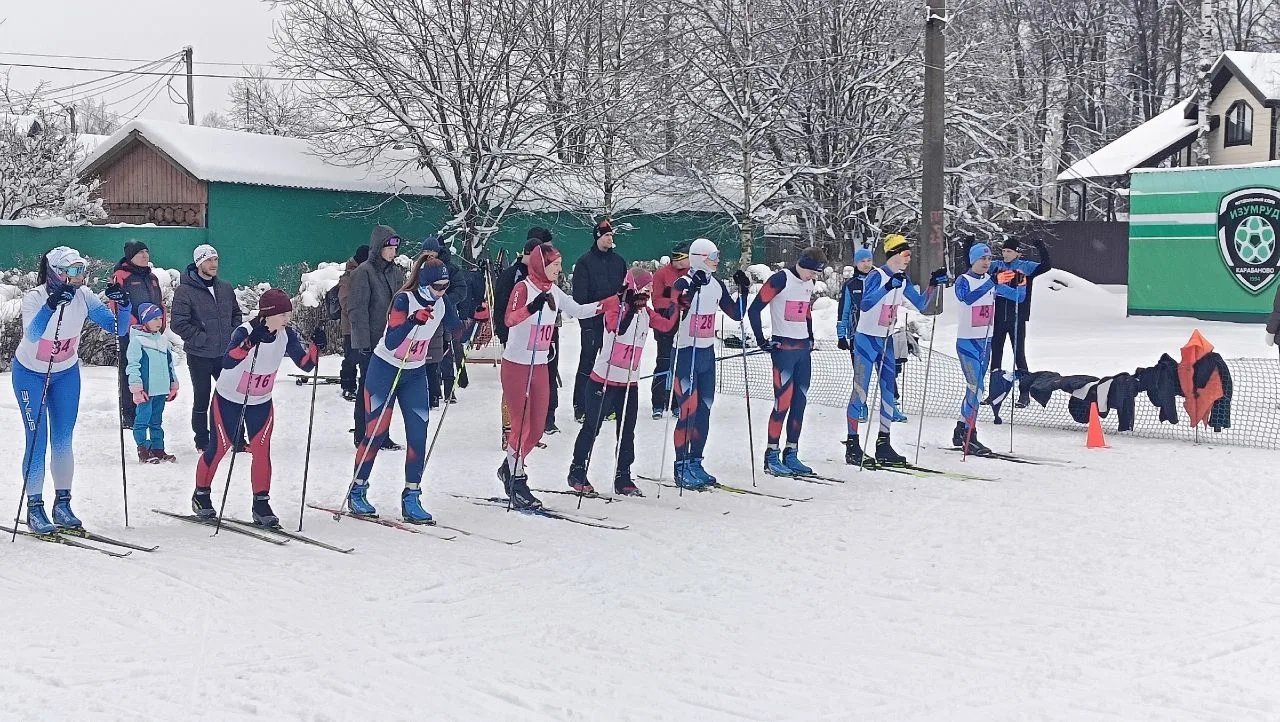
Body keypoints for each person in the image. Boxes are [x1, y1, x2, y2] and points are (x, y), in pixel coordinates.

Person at [14, 247, 130, 533]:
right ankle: (34, 508)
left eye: (82, 270)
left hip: (65, 373)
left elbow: (117, 328)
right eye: (74, 271)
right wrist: (51, 305)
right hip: (31, 374)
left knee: (63, 440)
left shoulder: (84, 296)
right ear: (56, 273)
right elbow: (32, 335)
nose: (80, 276)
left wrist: (124, 304)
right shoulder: (35, 297)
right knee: (37, 440)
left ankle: (62, 504)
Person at [190, 289, 323, 527]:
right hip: (229, 399)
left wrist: (316, 346)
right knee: (220, 448)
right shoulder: (245, 331)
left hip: (260, 402)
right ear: (267, 315)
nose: (287, 319)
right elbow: (227, 361)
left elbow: (305, 365)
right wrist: (249, 343)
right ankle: (201, 495)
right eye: (282, 315)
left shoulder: (286, 334)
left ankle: (261, 505)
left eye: (288, 314)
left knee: (261, 451)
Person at [346, 256, 462, 523]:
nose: (441, 291)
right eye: (437, 286)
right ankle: (358, 489)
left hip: (414, 373)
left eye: (445, 286)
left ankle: (412, 496)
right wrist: (412, 321)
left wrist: (475, 319)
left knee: (418, 435)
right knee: (376, 432)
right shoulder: (403, 300)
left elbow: (456, 331)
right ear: (423, 283)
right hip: (385, 369)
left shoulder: (442, 302)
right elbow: (391, 340)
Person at [499, 243, 603, 509]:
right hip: (517, 365)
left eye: (559, 264)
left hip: (540, 366)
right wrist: (532, 308)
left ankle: (509, 466)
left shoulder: (553, 291)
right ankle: (517, 480)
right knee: (521, 426)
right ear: (541, 265)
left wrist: (611, 302)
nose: (559, 269)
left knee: (536, 429)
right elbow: (509, 319)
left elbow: (578, 310)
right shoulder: (523, 287)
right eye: (555, 264)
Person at [568, 268, 675, 496]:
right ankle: (577, 470)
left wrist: (679, 306)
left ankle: (623, 476)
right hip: (603, 380)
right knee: (592, 427)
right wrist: (630, 309)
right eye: (646, 287)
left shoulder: (645, 312)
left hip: (629, 383)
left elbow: (667, 326)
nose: (649, 292)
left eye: (651, 288)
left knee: (627, 431)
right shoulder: (614, 304)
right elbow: (616, 329)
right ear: (634, 287)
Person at [850, 234, 947, 466]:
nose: (908, 259)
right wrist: (887, 287)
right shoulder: (877, 275)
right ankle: (852, 445)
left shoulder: (902, 279)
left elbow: (921, 305)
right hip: (866, 339)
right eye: (905, 254)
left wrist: (933, 285)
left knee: (888, 393)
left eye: (909, 255)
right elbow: (865, 304)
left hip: (886, 340)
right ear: (893, 255)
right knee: (861, 391)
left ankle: (883, 443)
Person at [670, 238, 749, 489]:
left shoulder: (715, 285)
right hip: (685, 353)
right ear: (700, 257)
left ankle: (695, 461)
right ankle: (681, 465)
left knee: (704, 409)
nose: (717, 260)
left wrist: (743, 291)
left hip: (706, 354)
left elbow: (736, 313)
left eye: (717, 256)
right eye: (713, 256)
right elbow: (674, 314)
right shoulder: (682, 283)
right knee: (688, 410)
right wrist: (691, 291)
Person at [748, 247, 826, 476]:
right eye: (812, 271)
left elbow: (806, 311)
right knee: (782, 402)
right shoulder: (781, 279)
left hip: (802, 351)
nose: (813, 276)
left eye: (816, 273)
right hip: (783, 350)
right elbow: (754, 310)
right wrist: (762, 340)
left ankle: (791, 452)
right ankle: (771, 454)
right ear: (803, 264)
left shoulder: (808, 283)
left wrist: (810, 336)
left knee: (799, 402)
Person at [171, 244, 246, 452]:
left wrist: (232, 333)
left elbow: (236, 314)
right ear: (198, 263)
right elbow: (178, 323)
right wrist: (202, 338)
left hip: (225, 354)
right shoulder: (185, 291)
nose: (213, 264)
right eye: (208, 260)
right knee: (202, 398)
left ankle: (238, 439)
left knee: (232, 397)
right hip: (199, 355)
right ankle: (202, 441)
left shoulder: (225, 287)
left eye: (215, 259)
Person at [953, 243, 1025, 456]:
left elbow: (1018, 298)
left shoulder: (991, 281)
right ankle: (970, 435)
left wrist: (1022, 284)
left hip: (985, 343)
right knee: (977, 388)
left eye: (989, 259)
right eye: (982, 259)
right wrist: (993, 282)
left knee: (973, 389)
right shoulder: (963, 280)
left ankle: (961, 427)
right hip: (967, 342)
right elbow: (967, 298)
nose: (986, 262)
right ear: (972, 260)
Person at [347, 225, 406, 450]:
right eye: (389, 248)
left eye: (395, 248)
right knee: (368, 388)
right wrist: (362, 343)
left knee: (387, 391)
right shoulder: (363, 272)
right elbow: (357, 310)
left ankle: (382, 434)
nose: (393, 252)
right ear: (378, 247)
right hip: (370, 342)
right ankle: (362, 433)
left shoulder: (396, 273)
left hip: (391, 341)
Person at [493, 229, 551, 448]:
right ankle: (508, 431)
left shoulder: (540, 276)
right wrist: (503, 332)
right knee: (512, 388)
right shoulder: (512, 274)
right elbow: (500, 306)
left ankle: (528, 432)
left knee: (533, 388)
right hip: (514, 337)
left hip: (534, 340)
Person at [571, 219, 628, 422]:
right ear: (597, 237)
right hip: (592, 322)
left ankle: (607, 405)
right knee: (588, 362)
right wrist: (585, 324)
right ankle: (581, 406)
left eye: (611, 235)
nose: (610, 239)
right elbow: (579, 297)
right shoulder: (585, 262)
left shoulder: (619, 262)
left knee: (610, 363)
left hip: (613, 322)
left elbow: (625, 289)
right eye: (606, 235)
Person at [990, 236, 1051, 407]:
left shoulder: (1025, 266)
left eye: (1009, 251)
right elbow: (976, 267)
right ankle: (994, 392)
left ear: (1017, 253)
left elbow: (1046, 266)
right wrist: (968, 247)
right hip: (998, 318)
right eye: (1003, 251)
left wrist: (1041, 246)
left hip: (1017, 318)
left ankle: (1024, 394)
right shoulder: (997, 265)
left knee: (1019, 356)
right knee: (996, 355)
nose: (1005, 254)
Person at [109, 240, 163, 429]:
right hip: (130, 334)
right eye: (140, 252)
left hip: (152, 333)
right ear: (131, 256)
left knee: (150, 370)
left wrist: (160, 323)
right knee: (130, 371)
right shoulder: (121, 275)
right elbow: (115, 304)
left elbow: (160, 302)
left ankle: (147, 411)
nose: (145, 255)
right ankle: (129, 414)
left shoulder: (152, 277)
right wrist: (135, 326)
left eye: (146, 251)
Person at [125, 302, 179, 463]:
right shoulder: (138, 341)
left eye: (160, 318)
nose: (159, 322)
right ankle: (143, 449)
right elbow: (133, 366)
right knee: (142, 421)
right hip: (146, 391)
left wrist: (173, 385)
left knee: (156, 421)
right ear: (145, 320)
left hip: (161, 389)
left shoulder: (163, 341)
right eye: (154, 318)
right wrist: (136, 389)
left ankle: (158, 449)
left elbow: (170, 365)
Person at [836, 247, 875, 465]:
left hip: (877, 335)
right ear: (856, 264)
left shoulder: (879, 280)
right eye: (862, 261)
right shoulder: (851, 285)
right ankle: (861, 404)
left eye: (869, 260)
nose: (866, 264)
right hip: (857, 336)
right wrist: (841, 334)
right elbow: (843, 310)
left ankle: (893, 405)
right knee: (860, 374)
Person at [650, 242, 690, 418]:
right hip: (665, 323)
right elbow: (656, 300)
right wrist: (675, 302)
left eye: (681, 258)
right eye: (675, 258)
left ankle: (676, 402)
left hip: (685, 325)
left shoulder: (692, 274)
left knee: (681, 365)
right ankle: (658, 403)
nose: (677, 262)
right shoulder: (662, 274)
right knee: (664, 362)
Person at [338, 244, 370, 401]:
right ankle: (348, 386)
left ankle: (364, 386)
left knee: (365, 357)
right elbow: (344, 301)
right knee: (351, 357)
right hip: (350, 326)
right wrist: (358, 312)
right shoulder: (348, 277)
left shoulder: (366, 273)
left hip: (365, 325)